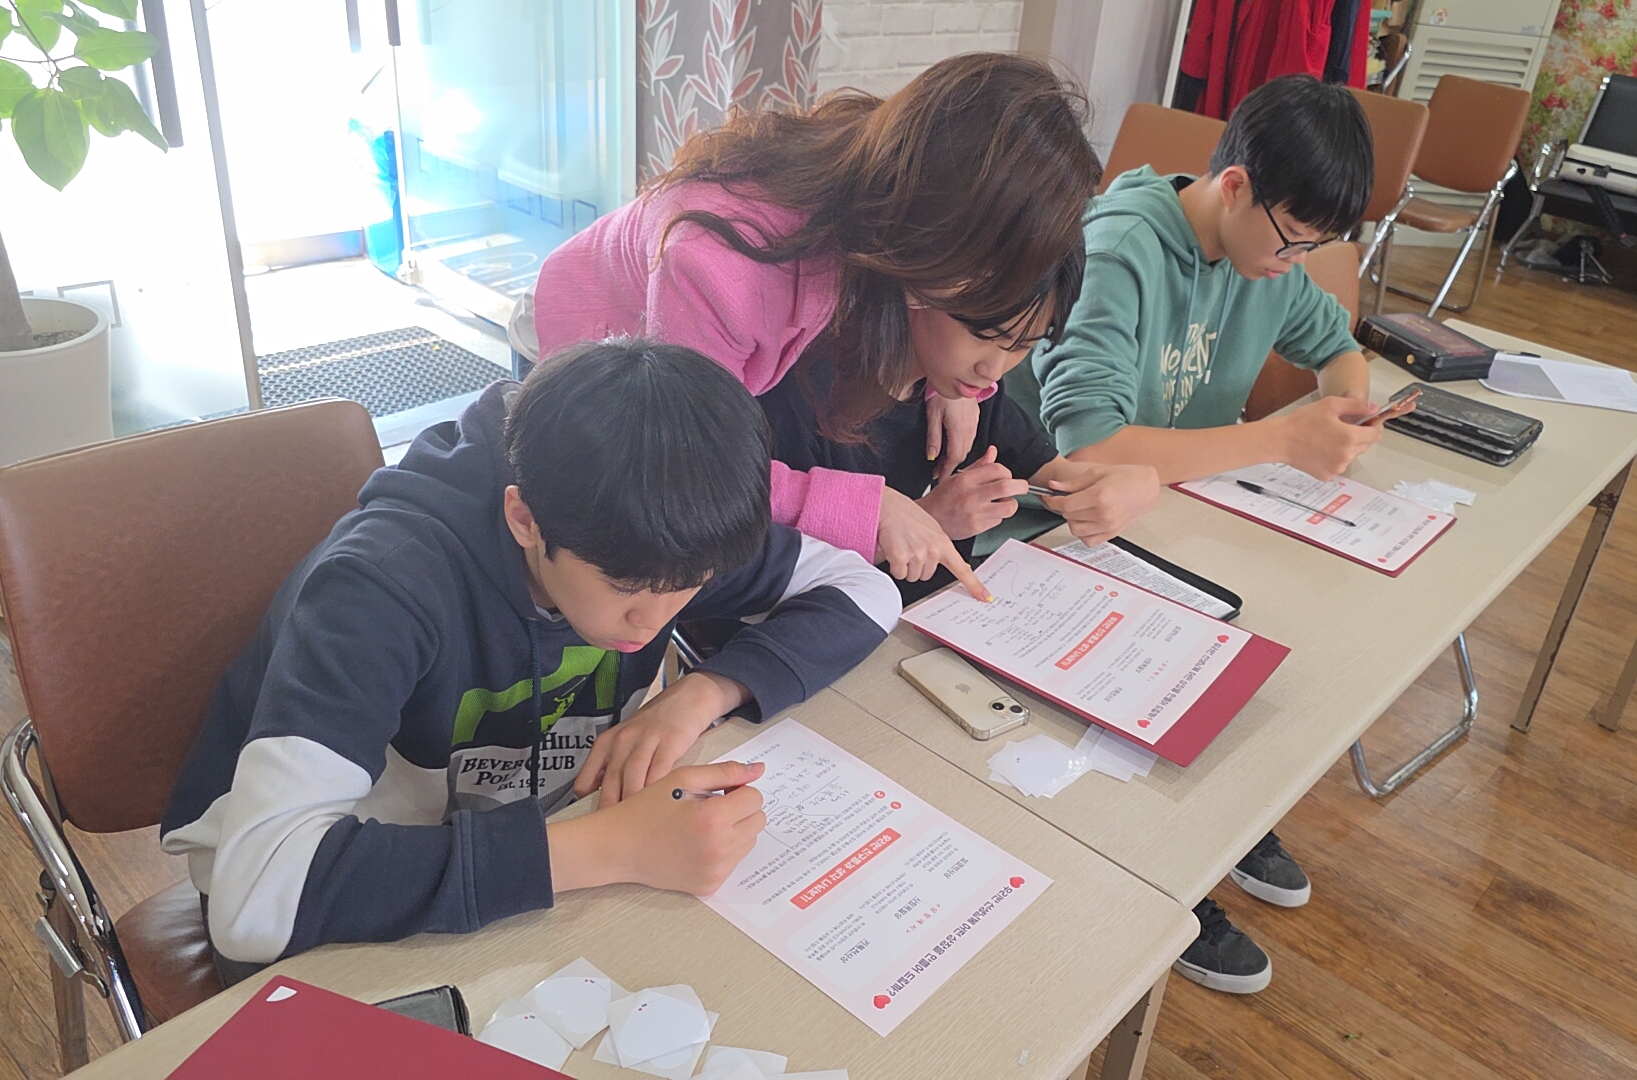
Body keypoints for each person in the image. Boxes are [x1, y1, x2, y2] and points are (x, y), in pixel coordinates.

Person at [160, 340, 902, 983]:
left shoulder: (665, 536)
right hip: (333, 897)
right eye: (626, 589)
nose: (654, 621)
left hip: (517, 851)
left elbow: (865, 590)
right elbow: (256, 901)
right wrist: (612, 847)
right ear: (524, 518)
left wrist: (701, 693)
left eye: (693, 586)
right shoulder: (382, 586)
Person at [1004, 73, 1378, 995]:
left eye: (1318, 247)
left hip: (1176, 513)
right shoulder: (1123, 247)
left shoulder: (1265, 258)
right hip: (1049, 529)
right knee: (1173, 665)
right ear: (1234, 186)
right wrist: (1281, 439)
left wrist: (1348, 410)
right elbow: (1087, 449)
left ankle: (1220, 822)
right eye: (1293, 241)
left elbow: (1337, 345)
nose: (1297, 263)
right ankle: (1169, 882)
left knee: (1274, 642)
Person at [529, 52, 1103, 601]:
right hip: (592, 335)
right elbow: (700, 468)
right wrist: (873, 509)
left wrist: (947, 383)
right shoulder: (721, 270)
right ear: (943, 237)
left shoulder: (892, 184)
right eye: (985, 317)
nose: (994, 365)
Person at [758, 245, 1161, 604]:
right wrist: (930, 517)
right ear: (925, 285)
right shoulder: (804, 391)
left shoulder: (963, 392)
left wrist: (1130, 486)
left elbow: (1058, 476)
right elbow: (767, 571)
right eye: (983, 334)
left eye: (1023, 345)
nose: (994, 368)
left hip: (935, 622)